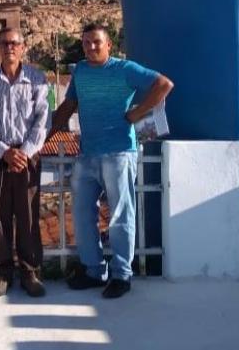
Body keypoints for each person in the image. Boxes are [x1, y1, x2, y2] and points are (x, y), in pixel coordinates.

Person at [49, 23, 173, 299]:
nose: (91, 47)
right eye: (86, 43)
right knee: (82, 214)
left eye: (96, 42)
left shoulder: (125, 69)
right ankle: (94, 270)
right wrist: (44, 137)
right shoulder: (80, 71)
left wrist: (137, 113)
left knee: (120, 215)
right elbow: (69, 106)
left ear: (109, 44)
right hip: (87, 153)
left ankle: (122, 275)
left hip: (119, 152)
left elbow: (164, 84)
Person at [0, 26, 49, 298]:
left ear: (23, 47)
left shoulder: (37, 80)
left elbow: (43, 120)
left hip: (28, 155)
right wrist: (5, 151)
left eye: (15, 43)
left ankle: (30, 271)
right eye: (4, 43)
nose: (10, 48)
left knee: (28, 213)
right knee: (1, 214)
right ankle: (3, 272)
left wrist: (24, 152)